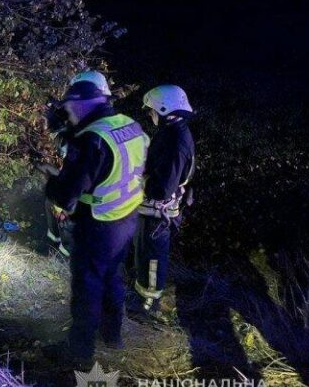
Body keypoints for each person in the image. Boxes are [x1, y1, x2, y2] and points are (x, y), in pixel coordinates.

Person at [44, 79, 148, 368]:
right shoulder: (129, 124)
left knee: (87, 285)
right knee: (112, 277)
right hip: (127, 217)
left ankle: (79, 352)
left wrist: (51, 181)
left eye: (69, 109)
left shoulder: (91, 139)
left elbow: (67, 195)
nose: (69, 115)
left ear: (80, 102)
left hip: (99, 224)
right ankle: (112, 336)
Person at [126, 85, 195, 324]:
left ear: (164, 109)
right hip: (152, 211)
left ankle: (149, 306)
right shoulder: (171, 131)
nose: (150, 115)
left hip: (158, 213)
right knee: (145, 256)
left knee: (153, 260)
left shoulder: (176, 140)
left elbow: (163, 186)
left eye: (152, 110)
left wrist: (139, 180)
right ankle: (141, 298)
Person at [40, 71, 113, 261]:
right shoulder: (97, 121)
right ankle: (54, 248)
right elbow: (70, 136)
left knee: (66, 216)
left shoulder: (95, 134)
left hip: (88, 202)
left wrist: (65, 200)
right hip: (81, 191)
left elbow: (81, 175)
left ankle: (64, 258)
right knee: (53, 206)